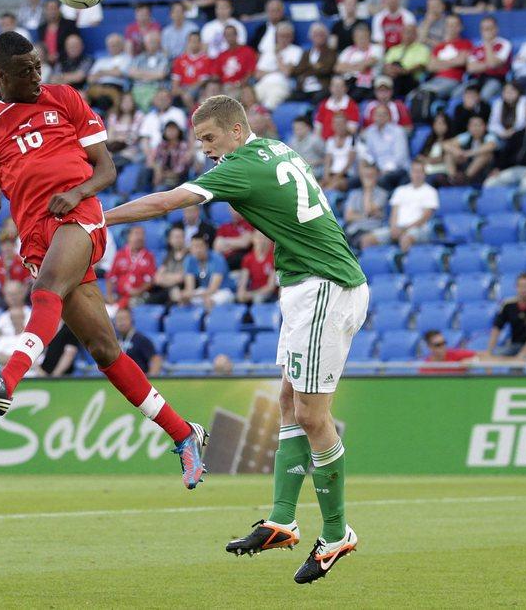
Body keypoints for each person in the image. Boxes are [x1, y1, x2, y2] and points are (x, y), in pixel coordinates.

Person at [105, 95, 369, 583]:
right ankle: (283, 520)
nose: (204, 149)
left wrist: (100, 218)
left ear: (234, 130)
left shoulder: (239, 166)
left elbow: (166, 201)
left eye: (209, 138)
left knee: (312, 415)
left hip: (324, 286)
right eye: (199, 140)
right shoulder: (273, 148)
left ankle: (337, 534)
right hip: (306, 284)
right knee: (289, 403)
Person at [0, 31, 207, 488]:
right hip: (34, 235)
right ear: (0, 76)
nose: (36, 75)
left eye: (38, 65)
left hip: (80, 216)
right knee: (105, 351)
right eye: (25, 70)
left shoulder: (65, 98)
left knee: (45, 290)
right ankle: (184, 433)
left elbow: (105, 168)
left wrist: (78, 192)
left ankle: (7, 379)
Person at [360, 160, 438, 252]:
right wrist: (393, 227)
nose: (417, 174)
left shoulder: (430, 191)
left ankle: (405, 264)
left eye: (419, 171)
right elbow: (394, 213)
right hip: (397, 228)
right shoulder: (400, 190)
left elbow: (425, 217)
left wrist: (405, 229)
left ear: (424, 174)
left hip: (419, 229)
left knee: (405, 239)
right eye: (414, 171)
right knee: (367, 240)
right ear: (410, 173)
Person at [484, 100, 526, 192]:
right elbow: (506, 153)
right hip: (513, 169)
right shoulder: (517, 134)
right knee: (490, 183)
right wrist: (498, 168)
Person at [488, 274, 526, 358]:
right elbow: (496, 328)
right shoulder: (508, 304)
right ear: (516, 287)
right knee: (495, 356)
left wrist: (523, 354)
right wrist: (489, 351)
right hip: (514, 345)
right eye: (520, 286)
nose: (523, 290)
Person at [360, 103, 409, 190]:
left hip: (397, 170)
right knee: (356, 180)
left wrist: (385, 170)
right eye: (378, 114)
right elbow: (369, 154)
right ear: (373, 117)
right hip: (378, 170)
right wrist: (367, 163)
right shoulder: (370, 132)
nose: (380, 117)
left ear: (389, 116)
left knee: (380, 180)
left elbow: (400, 158)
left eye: (384, 114)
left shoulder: (398, 131)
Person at [466, 16, 512, 103]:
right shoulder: (477, 47)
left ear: (496, 29)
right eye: (484, 29)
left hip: (496, 80)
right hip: (477, 79)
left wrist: (487, 43)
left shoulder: (504, 44)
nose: (486, 32)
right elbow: (471, 68)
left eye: (489, 28)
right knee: (460, 93)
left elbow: (493, 64)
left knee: (483, 96)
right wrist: (488, 64)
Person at [443, 115, 496, 186]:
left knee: (485, 155)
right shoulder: (467, 136)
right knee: (448, 155)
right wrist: (458, 152)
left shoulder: (490, 136)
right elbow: (445, 144)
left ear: (485, 126)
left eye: (478, 125)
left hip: (485, 169)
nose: (476, 128)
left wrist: (469, 153)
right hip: (468, 163)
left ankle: (465, 178)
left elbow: (490, 146)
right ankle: (452, 178)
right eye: (473, 125)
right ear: (469, 127)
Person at [342, 165, 387, 247]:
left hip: (369, 230)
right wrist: (367, 216)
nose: (368, 178)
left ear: (377, 176)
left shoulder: (382, 194)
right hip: (352, 230)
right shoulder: (354, 194)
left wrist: (368, 190)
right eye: (366, 176)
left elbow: (368, 209)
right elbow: (348, 216)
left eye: (371, 176)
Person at [114, 307, 162, 375]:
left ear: (132, 320)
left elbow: (156, 359)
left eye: (124, 319)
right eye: (118, 320)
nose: (121, 323)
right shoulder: (113, 341)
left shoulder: (141, 339)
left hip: (138, 380)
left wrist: (151, 379)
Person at [237, 230, 277, 304]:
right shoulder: (248, 258)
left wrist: (252, 294)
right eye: (258, 237)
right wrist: (241, 292)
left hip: (269, 294)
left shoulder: (273, 258)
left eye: (264, 238)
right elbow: (243, 281)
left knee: (258, 299)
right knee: (239, 298)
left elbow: (270, 287)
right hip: (253, 291)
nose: (261, 241)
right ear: (253, 239)